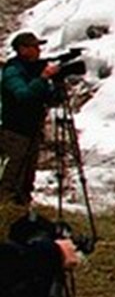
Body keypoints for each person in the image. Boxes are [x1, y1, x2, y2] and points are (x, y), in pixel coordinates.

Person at [0, 33, 58, 205]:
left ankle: (22, 209)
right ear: (23, 49)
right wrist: (43, 78)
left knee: (27, 177)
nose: (38, 50)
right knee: (13, 174)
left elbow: (45, 97)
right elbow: (23, 95)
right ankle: (5, 208)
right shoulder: (13, 71)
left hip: (32, 130)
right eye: (34, 46)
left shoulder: (32, 69)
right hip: (15, 132)